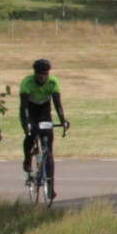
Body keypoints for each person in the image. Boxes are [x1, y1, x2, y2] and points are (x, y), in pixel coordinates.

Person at [19, 58, 69, 199]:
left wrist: (63, 120)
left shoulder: (53, 82)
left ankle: (50, 187)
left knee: (49, 150)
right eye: (39, 74)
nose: (42, 77)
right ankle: (27, 159)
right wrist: (26, 123)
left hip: (44, 111)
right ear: (35, 73)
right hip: (29, 111)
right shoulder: (27, 82)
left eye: (45, 74)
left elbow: (57, 103)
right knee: (31, 133)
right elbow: (24, 106)